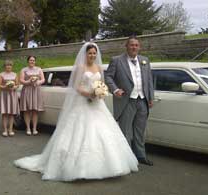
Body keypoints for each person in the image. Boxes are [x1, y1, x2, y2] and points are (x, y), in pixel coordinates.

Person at [14, 42, 138, 181]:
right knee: (78, 132)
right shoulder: (80, 67)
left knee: (103, 131)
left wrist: (100, 92)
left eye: (94, 53)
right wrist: (88, 94)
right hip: (82, 103)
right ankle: (76, 168)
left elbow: (102, 84)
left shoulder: (98, 67)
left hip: (97, 105)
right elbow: (76, 86)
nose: (92, 55)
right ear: (85, 54)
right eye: (89, 53)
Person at [105, 36, 154, 166]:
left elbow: (149, 80)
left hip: (142, 101)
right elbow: (108, 77)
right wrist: (115, 90)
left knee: (140, 131)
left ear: (139, 47)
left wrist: (150, 98)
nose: (134, 47)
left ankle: (140, 156)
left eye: (136, 45)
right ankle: (125, 158)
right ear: (126, 46)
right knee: (125, 131)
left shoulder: (145, 60)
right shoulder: (116, 60)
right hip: (126, 101)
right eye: (131, 45)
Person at [19, 56, 45, 136]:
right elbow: (21, 80)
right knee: (27, 110)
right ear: (28, 61)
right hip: (27, 90)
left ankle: (34, 128)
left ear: (35, 61)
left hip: (36, 90)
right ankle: (28, 128)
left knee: (35, 110)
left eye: (33, 60)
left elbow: (43, 79)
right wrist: (28, 81)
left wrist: (38, 82)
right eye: (30, 60)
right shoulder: (24, 70)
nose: (32, 61)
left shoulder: (39, 69)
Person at [0, 60, 20, 137]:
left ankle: (10, 129)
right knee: (5, 113)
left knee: (11, 113)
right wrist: (5, 87)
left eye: (10, 65)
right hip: (4, 94)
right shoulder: (1, 74)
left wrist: (14, 87)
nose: (8, 67)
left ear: (12, 66)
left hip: (12, 94)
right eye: (7, 65)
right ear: (4, 66)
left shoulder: (15, 74)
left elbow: (17, 84)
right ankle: (5, 130)